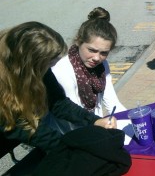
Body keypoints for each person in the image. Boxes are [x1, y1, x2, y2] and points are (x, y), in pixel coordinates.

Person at [0, 22, 119, 154]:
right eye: (49, 64)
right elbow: (23, 128)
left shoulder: (37, 68)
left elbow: (58, 102)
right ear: (30, 65)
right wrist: (65, 149)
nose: (52, 68)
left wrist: (94, 120)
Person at [52, 7, 126, 117]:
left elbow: (112, 103)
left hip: (95, 124)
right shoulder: (63, 70)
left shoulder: (102, 65)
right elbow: (74, 116)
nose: (97, 58)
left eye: (104, 53)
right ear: (78, 41)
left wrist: (133, 122)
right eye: (92, 50)